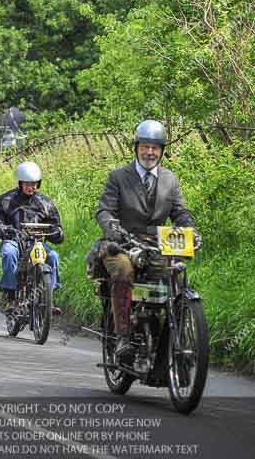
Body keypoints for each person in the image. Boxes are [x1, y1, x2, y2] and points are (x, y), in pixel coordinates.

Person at [95, 119, 202, 361]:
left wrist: (191, 230)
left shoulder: (170, 179)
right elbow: (104, 210)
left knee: (174, 276)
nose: (150, 152)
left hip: (157, 246)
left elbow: (180, 212)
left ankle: (168, 347)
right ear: (136, 148)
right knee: (122, 269)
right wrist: (111, 227)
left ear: (162, 150)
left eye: (155, 148)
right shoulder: (119, 177)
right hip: (120, 244)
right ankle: (122, 336)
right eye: (145, 146)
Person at [0, 161, 64, 313]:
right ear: (20, 183)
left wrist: (57, 233)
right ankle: (10, 296)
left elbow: (57, 227)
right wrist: (4, 230)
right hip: (14, 242)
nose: (32, 187)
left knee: (53, 256)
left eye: (35, 183)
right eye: (28, 183)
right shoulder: (6, 201)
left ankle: (49, 299)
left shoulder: (45, 203)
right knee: (8, 253)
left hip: (37, 244)